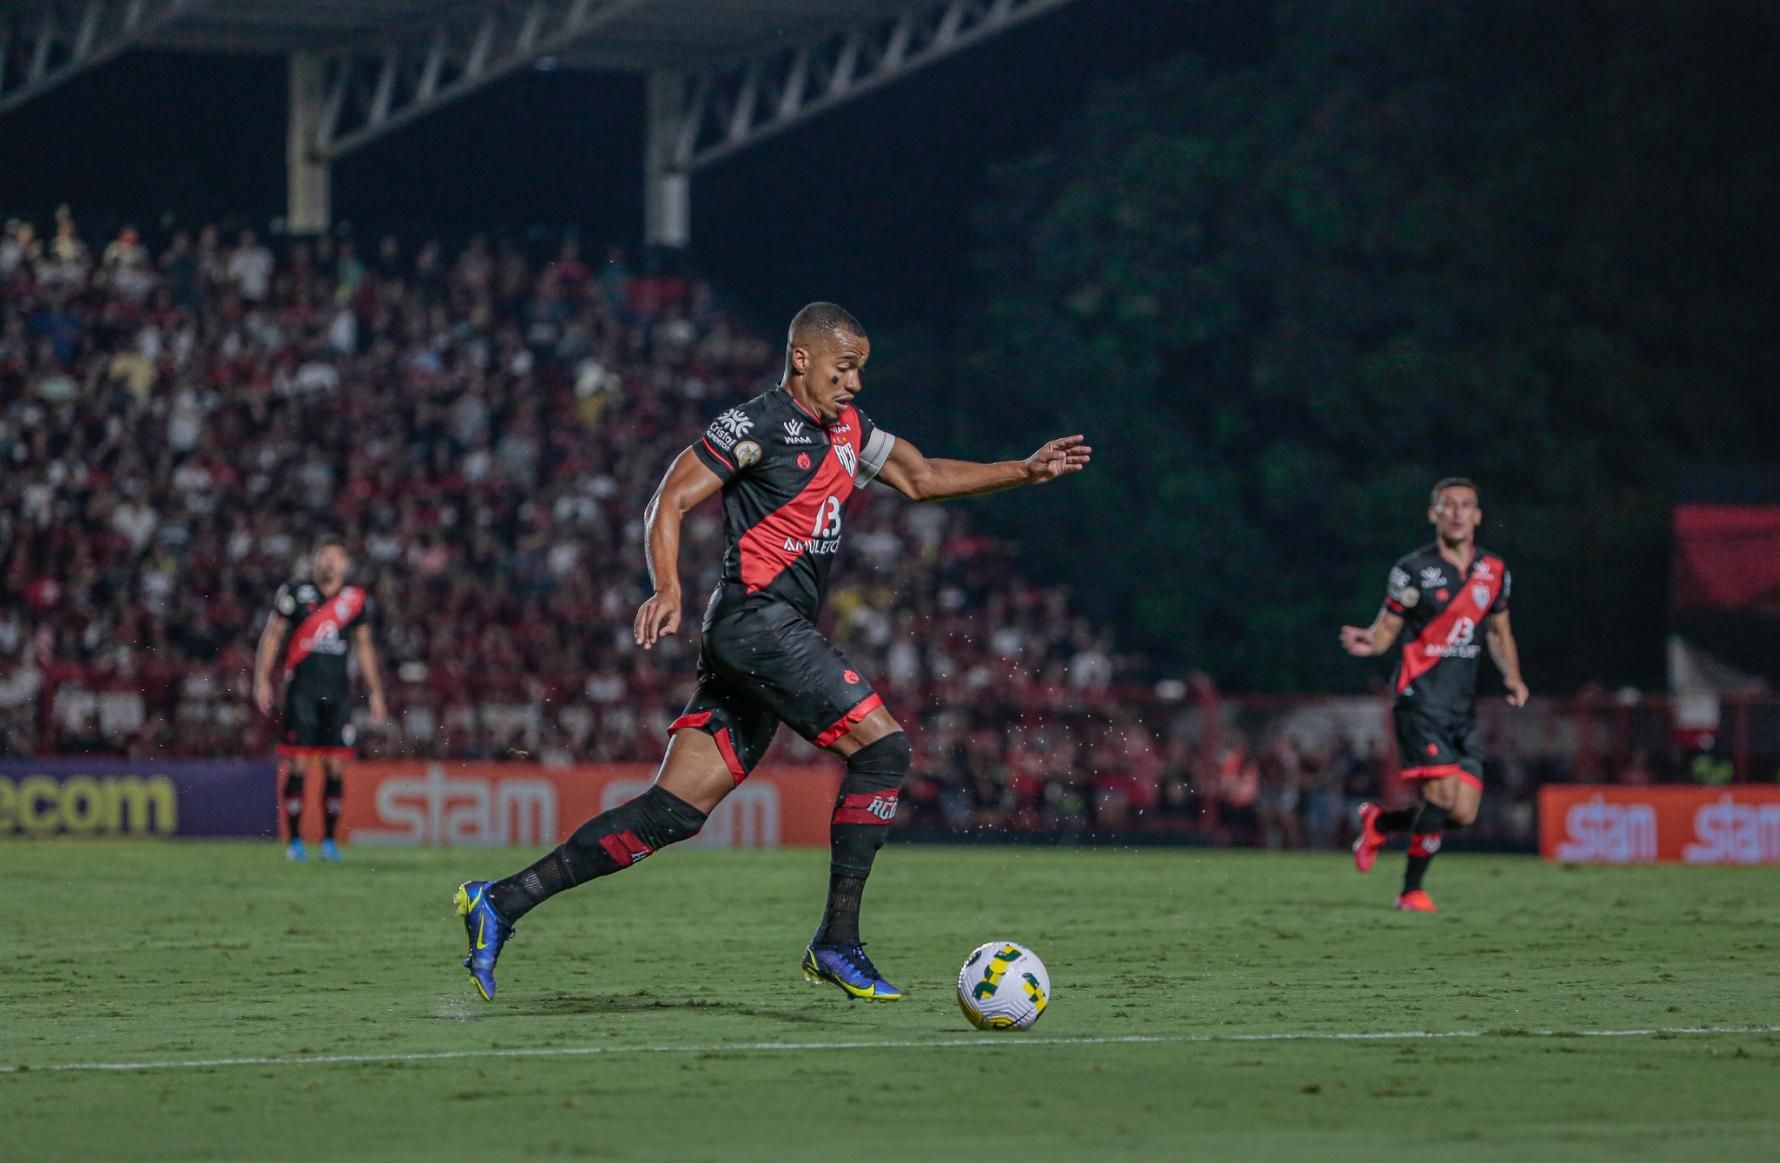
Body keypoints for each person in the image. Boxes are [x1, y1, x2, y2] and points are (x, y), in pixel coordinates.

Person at [453, 302, 1092, 1002]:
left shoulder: (851, 430)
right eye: (844, 368)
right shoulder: (757, 423)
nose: (854, 384)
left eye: (861, 371)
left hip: (761, 636)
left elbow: (923, 477)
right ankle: (838, 941)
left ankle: (502, 901)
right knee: (883, 750)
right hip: (757, 623)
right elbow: (668, 500)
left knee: (674, 811)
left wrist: (1023, 472)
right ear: (803, 359)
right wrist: (666, 586)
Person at [1339, 478, 1528, 912]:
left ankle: (1380, 821)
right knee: (1440, 799)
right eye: (1449, 506)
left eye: (1467, 506)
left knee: (1462, 813)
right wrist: (1371, 641)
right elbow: (1386, 629)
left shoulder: (1494, 571)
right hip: (1419, 699)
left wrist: (1513, 677)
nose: (1458, 513)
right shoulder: (1411, 570)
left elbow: (1500, 632)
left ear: (1478, 515)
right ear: (1433, 514)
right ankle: (1411, 892)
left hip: (1462, 707)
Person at [253, 538, 388, 862]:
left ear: (345, 565)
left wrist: (376, 692)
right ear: (314, 562)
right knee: (297, 763)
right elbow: (272, 636)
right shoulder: (295, 593)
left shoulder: (355, 600)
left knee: (335, 766)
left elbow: (365, 647)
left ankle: (329, 841)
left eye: (336, 558)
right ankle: (295, 840)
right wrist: (261, 679)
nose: (329, 563)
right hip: (302, 691)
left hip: (338, 692)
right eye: (323, 556)